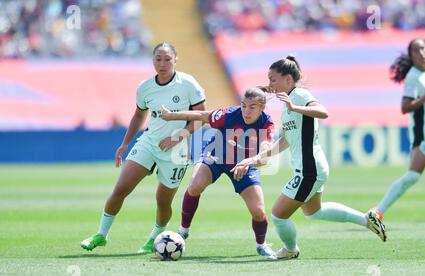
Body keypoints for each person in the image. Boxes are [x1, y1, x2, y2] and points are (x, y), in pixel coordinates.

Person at [231, 56, 386, 260]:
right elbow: (285, 141)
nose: (270, 84)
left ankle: (290, 250)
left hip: (309, 169)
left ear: (288, 79)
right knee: (314, 212)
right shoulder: (287, 104)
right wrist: (254, 159)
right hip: (309, 167)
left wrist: (295, 107)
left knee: (278, 215)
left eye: (273, 79)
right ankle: (367, 219)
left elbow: (323, 112)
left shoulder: (300, 95)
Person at [80, 43, 206, 253]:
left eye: (167, 59)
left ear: (176, 59)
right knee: (121, 189)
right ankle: (101, 235)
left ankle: (154, 238)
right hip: (149, 142)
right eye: (158, 58)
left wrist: (177, 137)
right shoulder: (146, 87)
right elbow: (139, 115)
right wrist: (125, 143)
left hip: (177, 151)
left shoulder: (188, 83)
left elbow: (202, 116)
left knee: (163, 201)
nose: (162, 63)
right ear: (152, 60)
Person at [160, 87, 277, 259]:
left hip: (244, 164)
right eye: (243, 105)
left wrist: (249, 161)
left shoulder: (267, 124)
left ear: (262, 108)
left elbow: (266, 155)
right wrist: (171, 116)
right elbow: (201, 116)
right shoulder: (229, 114)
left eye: (252, 107)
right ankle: (183, 230)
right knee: (195, 185)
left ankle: (261, 245)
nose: (246, 111)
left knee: (259, 211)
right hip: (216, 156)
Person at [368, 38, 425, 220]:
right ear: (412, 56)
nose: (421, 52)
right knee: (413, 176)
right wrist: (424, 97)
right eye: (416, 50)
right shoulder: (413, 77)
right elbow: (404, 107)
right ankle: (377, 212)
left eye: (423, 48)